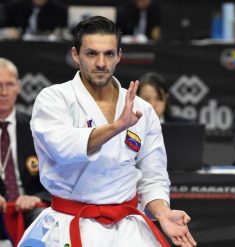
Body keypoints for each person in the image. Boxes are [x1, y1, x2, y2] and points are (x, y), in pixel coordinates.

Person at [18, 16, 196, 247]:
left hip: (129, 229)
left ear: (119, 56)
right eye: (92, 53)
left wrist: (162, 213)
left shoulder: (142, 109)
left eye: (109, 54)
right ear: (75, 55)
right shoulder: (54, 99)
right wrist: (115, 127)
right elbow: (63, 148)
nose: (101, 63)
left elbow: (153, 177)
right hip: (71, 223)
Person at [0, 57, 50, 228]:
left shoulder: (36, 127)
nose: (4, 92)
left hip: (30, 208)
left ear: (19, 87)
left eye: (10, 84)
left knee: (43, 216)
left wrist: (38, 197)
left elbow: (58, 173)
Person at [1, 0, 67, 36]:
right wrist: (8, 32)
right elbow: (4, 28)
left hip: (47, 48)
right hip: (19, 45)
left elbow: (64, 32)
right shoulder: (15, 7)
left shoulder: (60, 10)